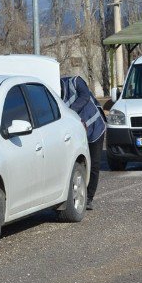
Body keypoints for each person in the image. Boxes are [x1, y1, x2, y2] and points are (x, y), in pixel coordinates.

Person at [61, 75, 106, 211]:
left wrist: (69, 111)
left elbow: (85, 96)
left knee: (94, 164)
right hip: (79, 134)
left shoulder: (75, 81)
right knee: (79, 164)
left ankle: (89, 198)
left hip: (96, 129)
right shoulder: (56, 99)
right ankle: (77, 195)